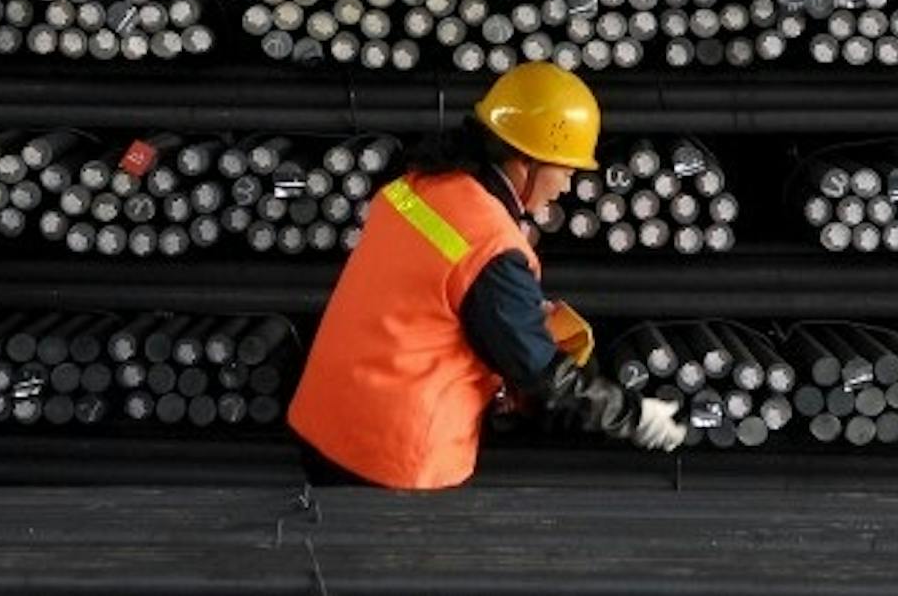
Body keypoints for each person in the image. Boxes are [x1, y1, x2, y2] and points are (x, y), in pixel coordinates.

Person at [288, 61, 686, 488]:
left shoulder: (416, 187)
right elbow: (542, 376)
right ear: (527, 161)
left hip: (324, 422)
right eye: (567, 171)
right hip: (390, 456)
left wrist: (512, 317)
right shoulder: (490, 246)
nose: (567, 188)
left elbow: (423, 300)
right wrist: (634, 415)